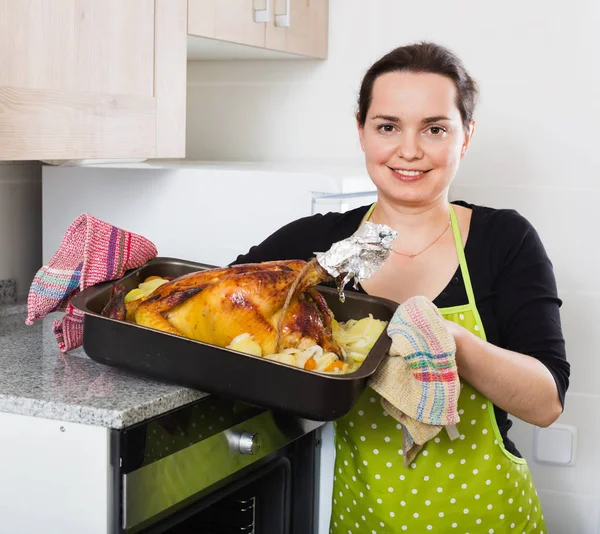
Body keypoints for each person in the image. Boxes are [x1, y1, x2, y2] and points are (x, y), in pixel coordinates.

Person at [232, 42, 569, 533]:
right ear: (362, 133)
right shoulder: (319, 244)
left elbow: (546, 403)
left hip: (491, 518)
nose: (409, 150)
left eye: (434, 129)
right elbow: (226, 299)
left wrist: (451, 342)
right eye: (388, 126)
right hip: (366, 518)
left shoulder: (505, 240)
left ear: (466, 137)